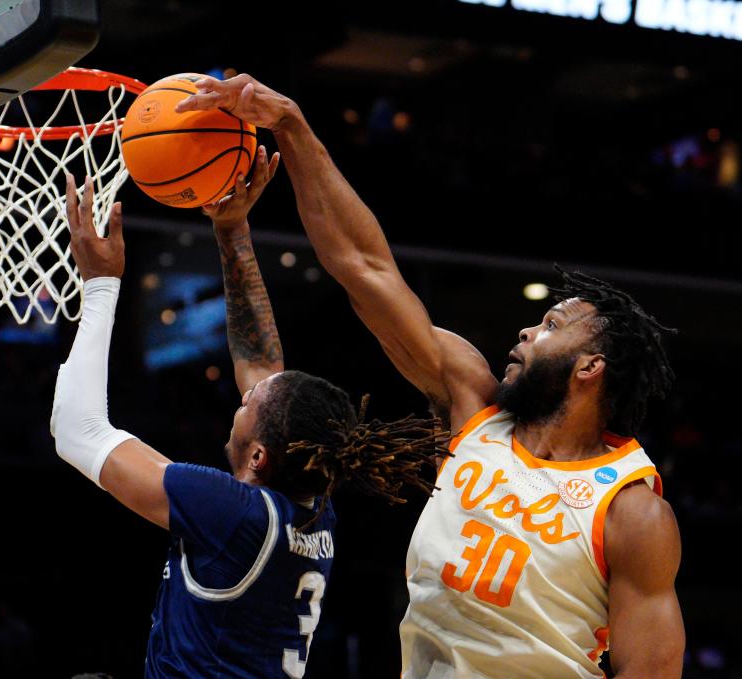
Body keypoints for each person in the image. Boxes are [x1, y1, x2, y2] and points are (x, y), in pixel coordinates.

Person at [178, 76, 685, 678]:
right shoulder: (475, 405)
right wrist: (292, 124)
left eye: (550, 325)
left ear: (590, 368)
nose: (525, 333)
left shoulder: (631, 511)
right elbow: (363, 266)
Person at [51, 150, 449, 678]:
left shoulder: (234, 511)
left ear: (259, 455)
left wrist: (101, 284)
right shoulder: (309, 500)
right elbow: (262, 366)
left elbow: (76, 432)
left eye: (248, 405)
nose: (244, 396)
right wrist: (232, 227)